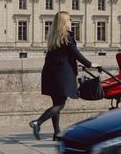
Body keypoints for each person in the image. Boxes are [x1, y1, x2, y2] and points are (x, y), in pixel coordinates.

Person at [29, 11, 99, 141]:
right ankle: (37, 122)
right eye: (70, 19)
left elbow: (62, 56)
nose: (71, 22)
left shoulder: (54, 36)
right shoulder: (67, 36)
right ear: (64, 22)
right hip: (61, 75)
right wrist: (90, 64)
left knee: (56, 102)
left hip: (50, 73)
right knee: (60, 104)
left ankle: (57, 133)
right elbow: (75, 53)